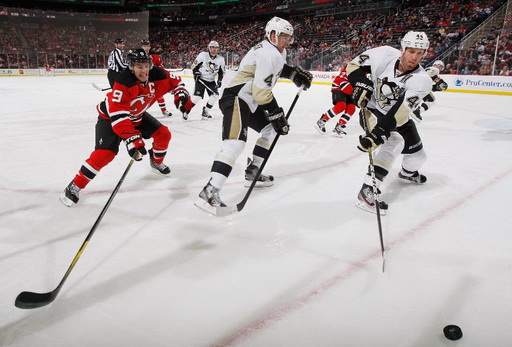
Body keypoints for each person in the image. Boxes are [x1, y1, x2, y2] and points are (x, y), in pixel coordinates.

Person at [194, 17, 313, 213]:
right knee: (235, 142)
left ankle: (253, 170)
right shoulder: (269, 53)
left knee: (270, 129)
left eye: (290, 38)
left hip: (248, 98)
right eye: (285, 37)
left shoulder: (275, 50)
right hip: (236, 96)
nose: (288, 42)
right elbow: (261, 93)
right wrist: (277, 113)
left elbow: (277, 69)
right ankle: (210, 190)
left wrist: (293, 74)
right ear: (272, 35)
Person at [60, 48, 194, 207]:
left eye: (145, 66)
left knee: (163, 134)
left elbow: (176, 82)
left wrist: (181, 94)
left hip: (136, 116)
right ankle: (75, 185)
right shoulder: (124, 81)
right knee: (105, 154)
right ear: (131, 67)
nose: (143, 70)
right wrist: (132, 139)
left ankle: (156, 161)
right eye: (139, 66)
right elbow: (119, 117)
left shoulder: (157, 74)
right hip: (110, 119)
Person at [346, 31, 433, 214]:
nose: (414, 57)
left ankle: (407, 173)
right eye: (411, 51)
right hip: (373, 109)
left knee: (419, 157)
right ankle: (367, 190)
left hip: (398, 116)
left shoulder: (422, 80)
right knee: (395, 141)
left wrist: (379, 133)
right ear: (402, 49)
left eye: (419, 53)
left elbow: (401, 111)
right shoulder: (384, 54)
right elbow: (352, 65)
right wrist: (361, 83)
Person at [314, 67, 356, 137]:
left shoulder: (366, 70)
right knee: (341, 106)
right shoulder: (350, 67)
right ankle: (322, 120)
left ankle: (339, 128)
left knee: (351, 108)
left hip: (350, 89)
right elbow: (342, 81)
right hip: (338, 86)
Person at [189, 40, 226, 120]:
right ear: (209, 48)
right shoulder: (203, 55)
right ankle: (186, 111)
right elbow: (194, 66)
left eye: (216, 48)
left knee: (215, 96)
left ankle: (205, 111)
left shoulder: (221, 59)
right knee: (196, 98)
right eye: (212, 47)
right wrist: (196, 73)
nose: (214, 49)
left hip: (211, 81)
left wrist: (219, 80)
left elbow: (221, 72)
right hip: (201, 79)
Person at [141, 39, 172, 117]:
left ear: (150, 47)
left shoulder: (155, 56)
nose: (146, 48)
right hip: (142, 78)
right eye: (144, 46)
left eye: (147, 46)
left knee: (159, 94)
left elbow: (159, 65)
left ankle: (164, 110)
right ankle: (138, 111)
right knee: (141, 95)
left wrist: (163, 71)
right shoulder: (139, 56)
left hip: (153, 78)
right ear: (142, 47)